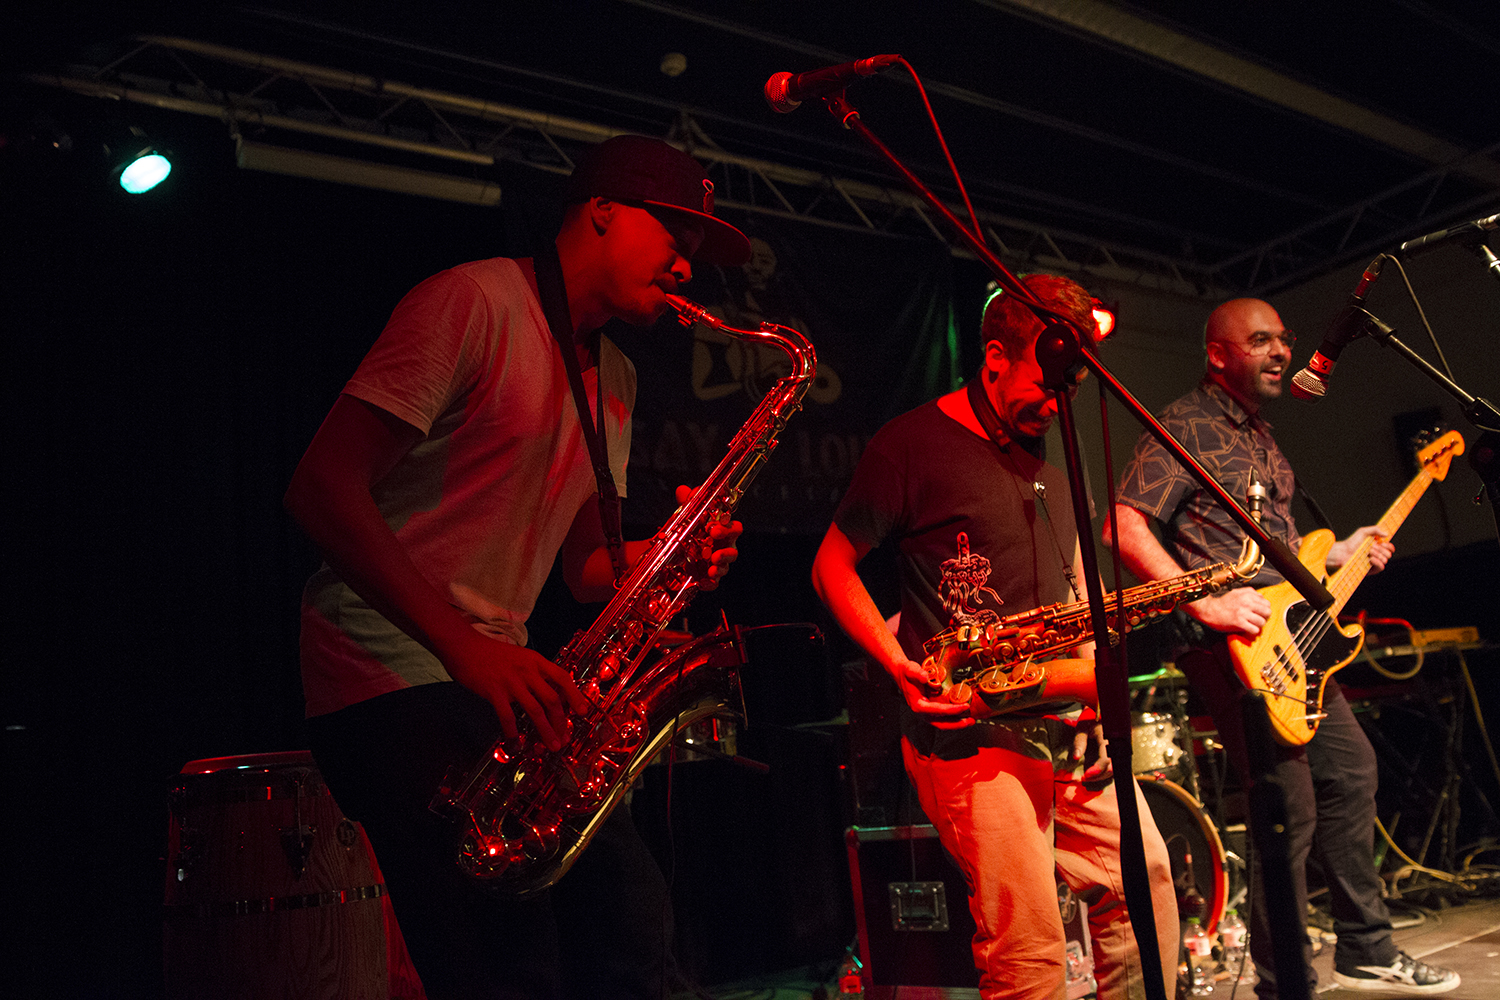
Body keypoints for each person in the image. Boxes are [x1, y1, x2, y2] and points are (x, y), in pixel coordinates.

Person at [284, 134, 750, 1000]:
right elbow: (319, 490)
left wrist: (669, 557)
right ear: (602, 211)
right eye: (675, 238)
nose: (688, 267)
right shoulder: (472, 302)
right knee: (508, 962)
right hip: (388, 673)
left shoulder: (614, 375)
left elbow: (584, 570)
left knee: (630, 920)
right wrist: (468, 648)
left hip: (493, 680)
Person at [811, 274, 1179, 1000]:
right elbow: (831, 565)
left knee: (1148, 886)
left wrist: (1097, 702)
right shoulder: (911, 445)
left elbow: (1075, 578)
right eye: (1044, 386)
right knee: (1031, 946)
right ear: (993, 360)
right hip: (970, 736)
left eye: (1068, 388)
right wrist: (893, 662)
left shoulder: (1061, 445)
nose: (1056, 403)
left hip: (1067, 724)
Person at [1104, 297, 1460, 996]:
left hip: (1294, 638)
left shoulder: (1262, 438)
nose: (1280, 352)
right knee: (1287, 805)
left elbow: (1279, 553)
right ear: (1218, 354)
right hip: (1233, 648)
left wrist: (1336, 556)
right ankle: (1281, 982)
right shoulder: (1186, 426)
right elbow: (1124, 526)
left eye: (1284, 340)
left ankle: (1364, 946)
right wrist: (1203, 600)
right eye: (1260, 340)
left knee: (1352, 771)